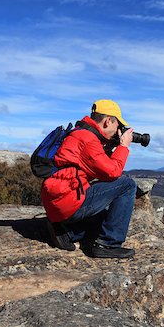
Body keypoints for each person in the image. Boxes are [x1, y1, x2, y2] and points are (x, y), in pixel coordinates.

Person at [41, 99, 137, 259]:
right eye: (117, 125)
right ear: (108, 121)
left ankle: (67, 232)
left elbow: (98, 170)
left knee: (104, 219)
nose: (117, 130)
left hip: (58, 200)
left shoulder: (79, 133)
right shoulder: (88, 139)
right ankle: (107, 245)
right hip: (67, 199)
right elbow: (113, 172)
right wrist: (123, 147)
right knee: (127, 185)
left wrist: (110, 146)